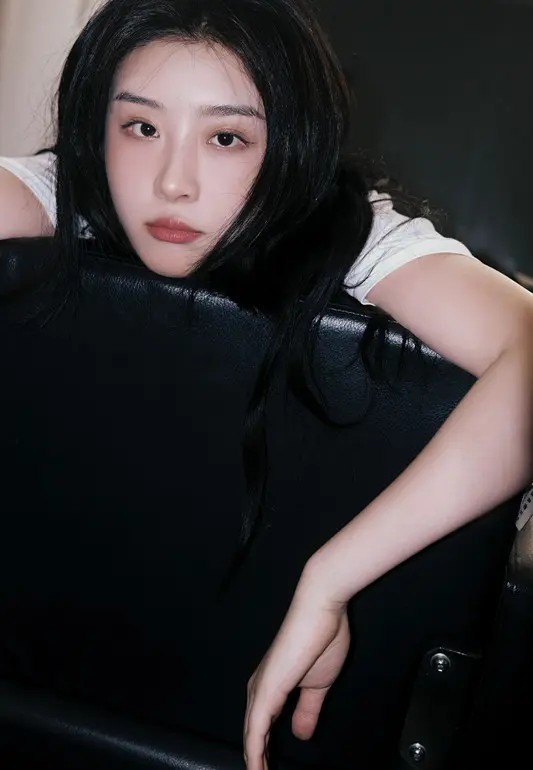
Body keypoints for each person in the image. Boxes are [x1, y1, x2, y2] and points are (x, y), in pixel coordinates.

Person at [0, 1, 532, 768]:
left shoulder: (355, 232)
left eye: (225, 137)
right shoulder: (73, 187)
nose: (172, 183)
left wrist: (329, 579)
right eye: (141, 127)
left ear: (288, 145)